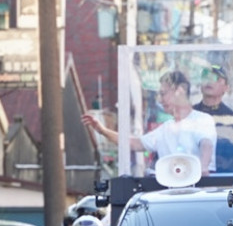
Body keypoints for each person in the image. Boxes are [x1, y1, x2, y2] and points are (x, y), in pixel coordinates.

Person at [83, 70, 217, 176]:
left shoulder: (202, 119)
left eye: (163, 94)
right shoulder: (165, 128)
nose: (159, 100)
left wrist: (203, 167)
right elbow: (135, 143)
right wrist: (102, 130)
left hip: (199, 191)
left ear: (180, 91)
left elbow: (207, 144)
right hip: (172, 192)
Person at [194, 65, 233, 174]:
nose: (209, 81)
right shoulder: (188, 116)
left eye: (216, 79)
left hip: (223, 182)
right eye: (206, 77)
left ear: (226, 87)